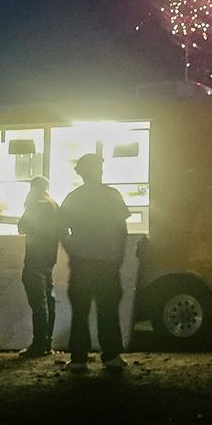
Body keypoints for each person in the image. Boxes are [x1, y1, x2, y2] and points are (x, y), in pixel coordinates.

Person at [60, 154, 130, 372]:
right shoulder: (112, 195)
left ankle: (79, 358)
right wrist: (119, 255)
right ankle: (111, 355)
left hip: (82, 261)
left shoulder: (73, 197)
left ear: (81, 173)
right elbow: (122, 230)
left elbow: (61, 229)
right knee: (108, 310)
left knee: (80, 311)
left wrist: (72, 249)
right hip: (108, 261)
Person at [17, 177, 62, 357]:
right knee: (48, 299)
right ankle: (46, 342)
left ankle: (38, 343)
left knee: (38, 302)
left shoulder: (35, 204)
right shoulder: (54, 204)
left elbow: (22, 227)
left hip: (35, 257)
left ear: (33, 187)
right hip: (49, 257)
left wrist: (27, 206)